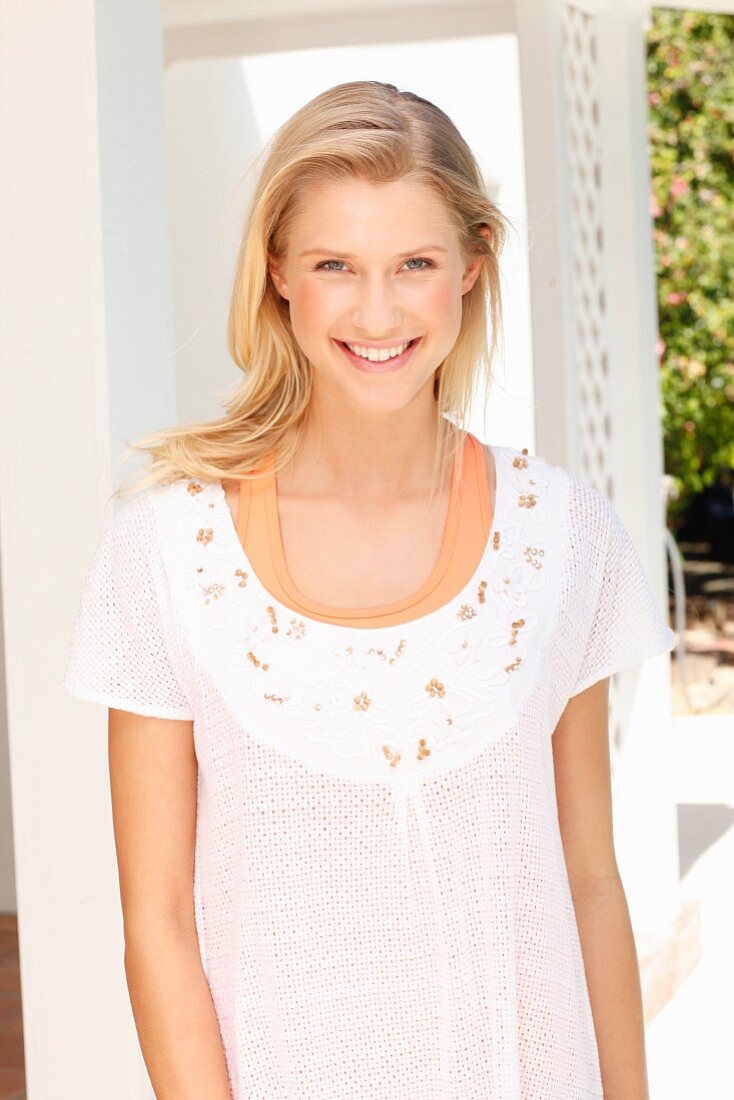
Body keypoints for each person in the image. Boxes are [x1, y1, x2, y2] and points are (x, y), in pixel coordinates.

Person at [62, 80, 675, 1099]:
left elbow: (590, 883)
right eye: (335, 265)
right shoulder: (166, 550)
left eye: (415, 265)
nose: (378, 311)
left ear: (472, 267)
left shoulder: (563, 539)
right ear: (277, 275)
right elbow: (158, 921)